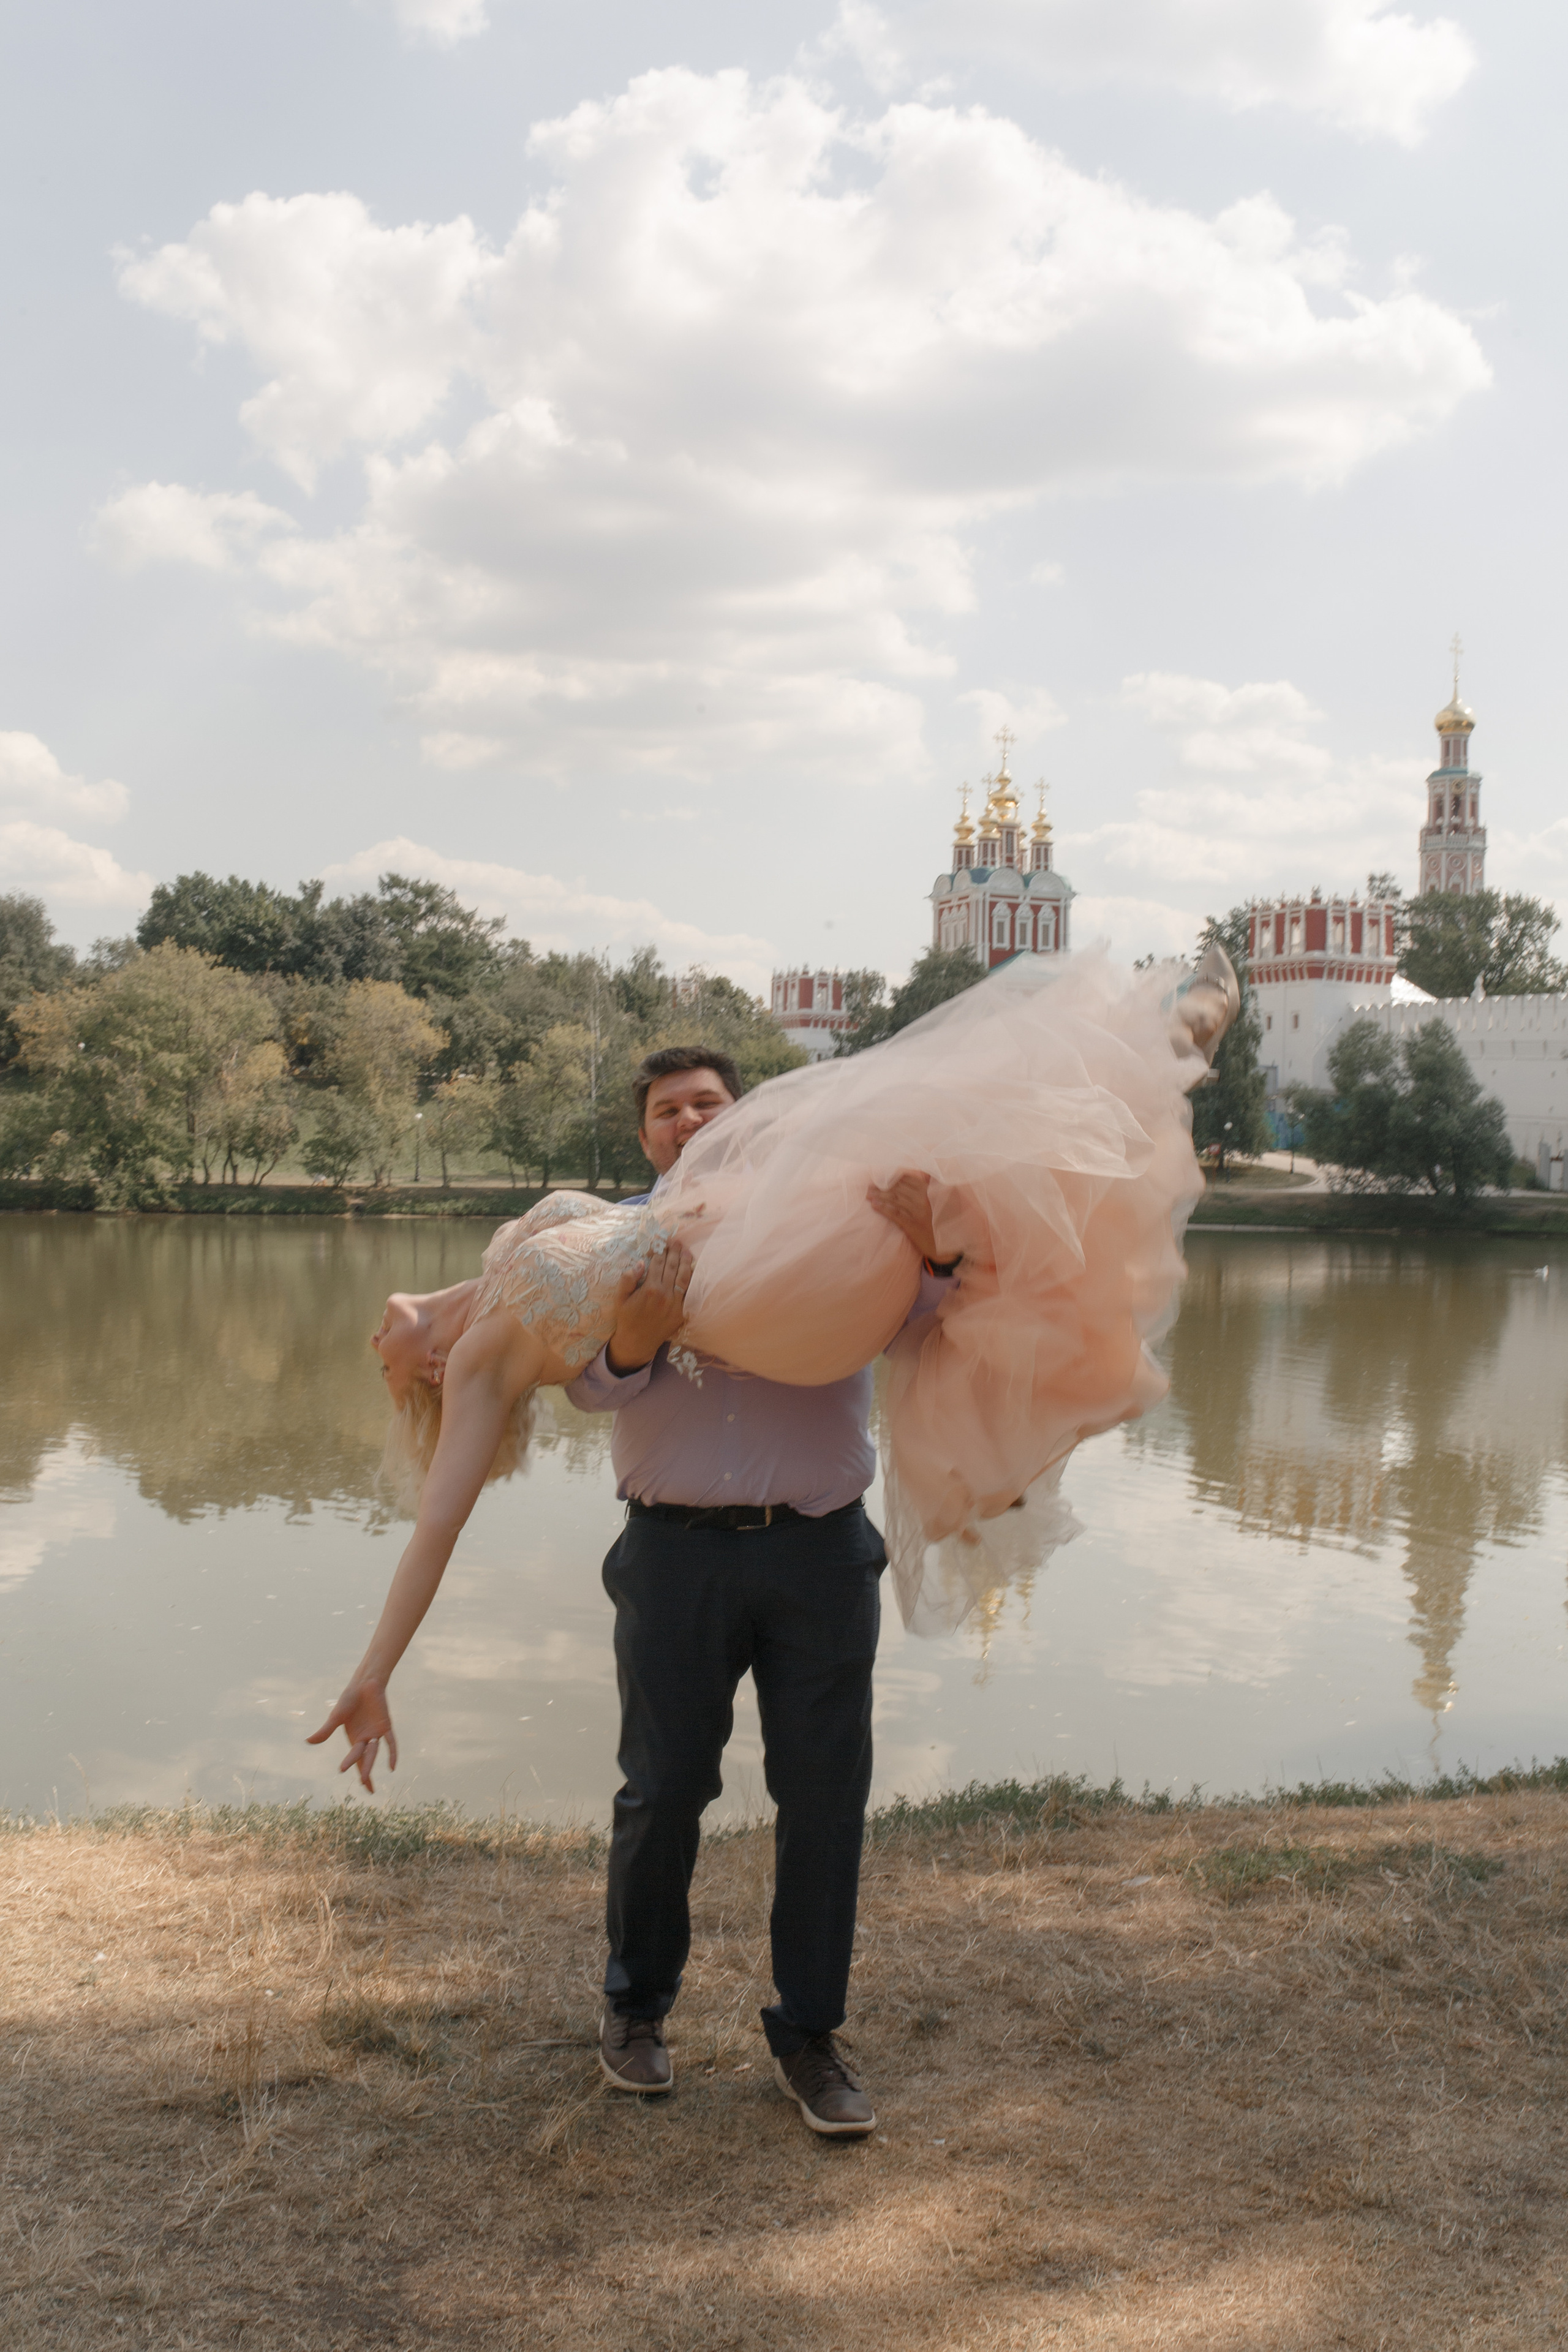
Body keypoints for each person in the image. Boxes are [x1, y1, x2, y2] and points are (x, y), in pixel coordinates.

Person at [309, 944, 1237, 2136]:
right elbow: (474, 1487)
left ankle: (810, 2036)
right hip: (678, 1547)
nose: (688, 1115)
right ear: (648, 1136)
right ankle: (635, 2012)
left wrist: (939, 1249)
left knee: (823, 1796)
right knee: (662, 1791)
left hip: (813, 1543)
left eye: (706, 1100)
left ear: (738, 1115)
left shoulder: (688, 1223)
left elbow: (930, 1320)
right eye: (666, 1108)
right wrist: (375, 1668)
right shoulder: (529, 1323)